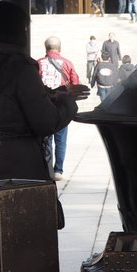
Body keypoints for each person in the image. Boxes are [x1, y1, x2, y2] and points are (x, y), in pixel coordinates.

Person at [0, 2, 88, 182]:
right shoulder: (19, 67)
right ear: (15, 31)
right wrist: (67, 101)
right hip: (15, 162)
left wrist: (57, 92)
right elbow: (46, 121)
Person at [37, 36, 83, 181]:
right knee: (61, 140)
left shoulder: (38, 64)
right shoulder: (67, 63)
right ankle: (59, 170)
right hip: (62, 107)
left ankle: (47, 167)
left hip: (44, 106)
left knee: (46, 139)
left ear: (46, 48)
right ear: (60, 48)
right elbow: (75, 83)